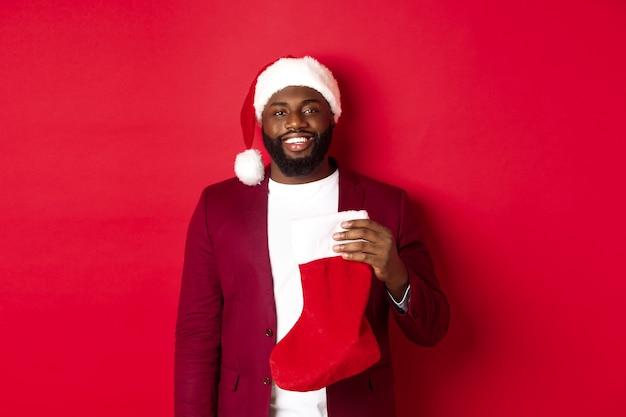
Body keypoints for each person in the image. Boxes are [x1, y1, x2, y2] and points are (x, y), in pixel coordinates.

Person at [174, 56, 450, 417]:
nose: (294, 122)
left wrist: (395, 272)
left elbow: (432, 330)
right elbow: (198, 335)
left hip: (356, 407)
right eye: (279, 112)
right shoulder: (219, 206)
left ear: (332, 116)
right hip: (249, 408)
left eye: (310, 108)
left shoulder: (387, 204)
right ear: (262, 123)